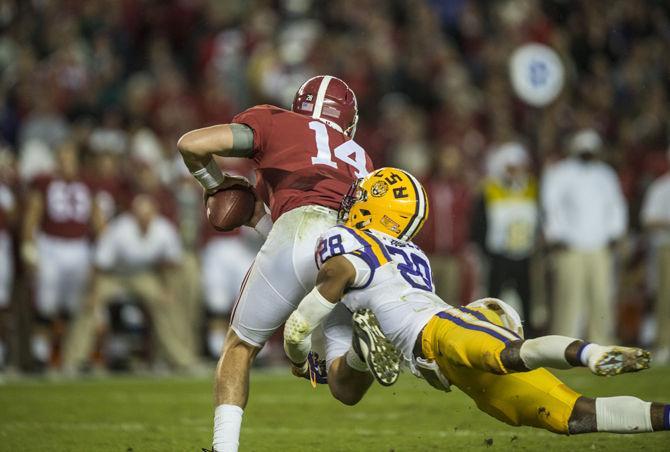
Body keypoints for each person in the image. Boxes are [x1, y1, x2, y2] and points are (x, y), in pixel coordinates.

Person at [284, 167, 668, 437]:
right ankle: (362, 350)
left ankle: (594, 355)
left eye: (363, 197)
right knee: (573, 416)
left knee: (513, 357)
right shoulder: (413, 254)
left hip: (438, 331)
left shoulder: (346, 240)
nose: (353, 202)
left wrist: (297, 350)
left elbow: (335, 281)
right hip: (445, 359)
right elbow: (343, 388)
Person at [177, 75, 376, 452]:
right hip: (349, 247)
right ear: (348, 120)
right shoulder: (360, 157)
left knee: (239, 347)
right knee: (343, 387)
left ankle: (224, 449)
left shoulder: (276, 122)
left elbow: (191, 144)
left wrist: (215, 183)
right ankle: (359, 356)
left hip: (300, 226)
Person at [61, 194, 198, 372]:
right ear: (133, 215)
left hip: (143, 275)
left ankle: (180, 359)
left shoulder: (163, 229)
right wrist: (93, 294)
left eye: (147, 214)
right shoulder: (120, 230)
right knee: (88, 306)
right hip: (114, 276)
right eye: (140, 215)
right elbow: (99, 265)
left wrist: (167, 289)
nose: (144, 219)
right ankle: (72, 361)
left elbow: (171, 264)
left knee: (165, 304)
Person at [21, 141, 105, 368]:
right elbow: (34, 213)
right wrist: (28, 245)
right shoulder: (45, 182)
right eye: (62, 157)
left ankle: (65, 354)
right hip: (50, 244)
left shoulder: (88, 182)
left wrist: (103, 247)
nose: (66, 162)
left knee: (73, 306)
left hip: (78, 246)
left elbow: (97, 218)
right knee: (46, 303)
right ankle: (40, 354)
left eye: (70, 157)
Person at [541, 129, 627, 344]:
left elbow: (616, 205)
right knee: (569, 300)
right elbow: (550, 205)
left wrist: (615, 233)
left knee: (601, 298)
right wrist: (555, 235)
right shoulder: (561, 172)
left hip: (600, 246)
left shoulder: (605, 174)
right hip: (570, 246)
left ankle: (602, 344)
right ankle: (564, 345)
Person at [472, 142, 539, 335]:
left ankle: (528, 336)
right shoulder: (490, 189)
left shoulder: (531, 187)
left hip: (523, 253)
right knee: (494, 298)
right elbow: (480, 222)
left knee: (526, 298)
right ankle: (491, 332)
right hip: (498, 254)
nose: (514, 172)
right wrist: (483, 249)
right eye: (510, 168)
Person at [640, 147, 670, 364]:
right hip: (667, 247)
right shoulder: (662, 187)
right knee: (666, 299)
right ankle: (664, 344)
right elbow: (648, 219)